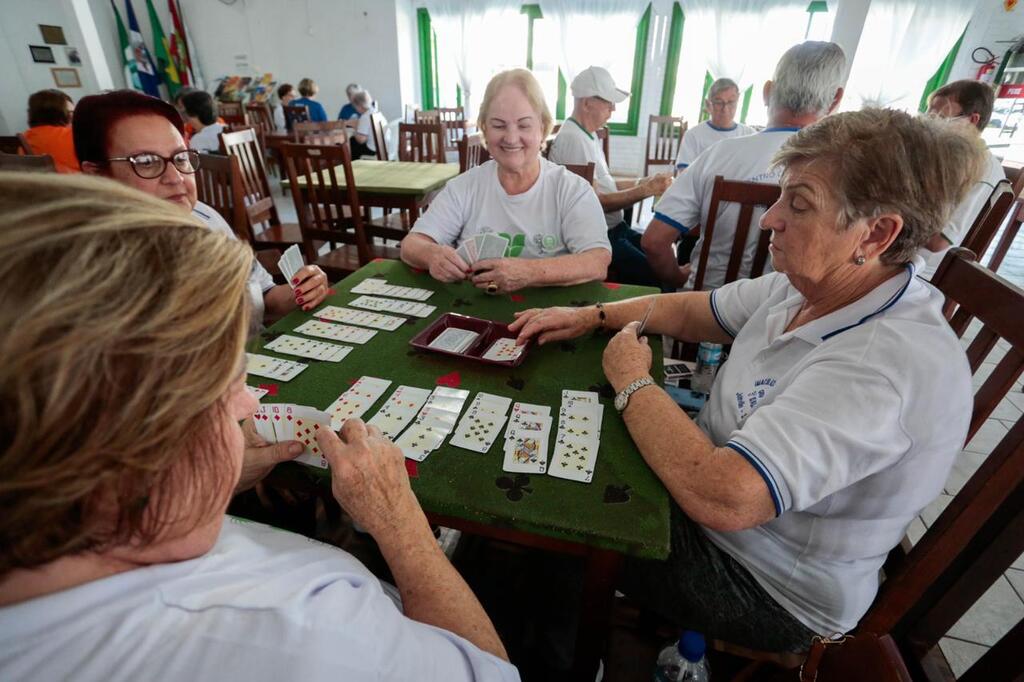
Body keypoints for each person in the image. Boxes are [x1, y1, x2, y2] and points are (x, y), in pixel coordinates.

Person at [0, 173, 519, 682]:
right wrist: (399, 522)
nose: (248, 400)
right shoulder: (308, 640)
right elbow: (492, 672)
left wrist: (204, 484)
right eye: (224, 385)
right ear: (125, 446)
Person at [509, 108, 986, 652]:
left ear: (876, 234)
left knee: (552, 526)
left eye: (799, 204)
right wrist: (595, 315)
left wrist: (632, 380)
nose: (769, 219)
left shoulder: (882, 365)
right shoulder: (820, 284)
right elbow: (695, 311)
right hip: (721, 510)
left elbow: (725, 497)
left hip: (764, 582)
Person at [72, 90, 329, 335]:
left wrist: (301, 291)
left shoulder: (204, 217)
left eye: (180, 158)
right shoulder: (93, 274)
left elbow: (264, 299)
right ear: (98, 176)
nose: (175, 178)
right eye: (146, 162)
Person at [642, 41, 846, 291]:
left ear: (767, 92)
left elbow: (654, 242)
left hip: (700, 309)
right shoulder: (842, 174)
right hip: (780, 319)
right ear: (836, 99)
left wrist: (675, 278)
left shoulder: (719, 155)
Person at [401, 69, 611, 294]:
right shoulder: (464, 186)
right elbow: (411, 245)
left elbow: (597, 262)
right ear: (484, 128)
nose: (511, 138)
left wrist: (528, 273)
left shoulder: (572, 189)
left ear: (543, 127)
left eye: (524, 125)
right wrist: (433, 255)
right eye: (499, 125)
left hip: (551, 318)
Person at [547, 66, 672, 287]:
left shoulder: (588, 134)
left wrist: (639, 182)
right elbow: (595, 202)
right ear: (586, 103)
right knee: (660, 280)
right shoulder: (573, 140)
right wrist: (646, 190)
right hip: (602, 237)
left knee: (663, 259)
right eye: (607, 102)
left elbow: (605, 183)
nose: (612, 109)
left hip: (615, 229)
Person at [920, 79, 1007, 279]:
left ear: (972, 120)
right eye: (928, 116)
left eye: (940, 118)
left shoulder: (980, 168)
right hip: (901, 259)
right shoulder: (946, 157)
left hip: (921, 273)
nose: (929, 125)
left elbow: (938, 241)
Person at [673, 78, 755, 173]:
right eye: (719, 103)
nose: (725, 109)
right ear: (708, 104)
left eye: (731, 102)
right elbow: (684, 174)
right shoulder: (693, 135)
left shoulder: (750, 135)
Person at [20, 89, 79, 173]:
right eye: (70, 113)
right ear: (60, 113)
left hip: (41, 183)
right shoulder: (72, 134)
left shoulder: (25, 137)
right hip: (77, 182)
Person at [349, 90, 382, 159]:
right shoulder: (375, 112)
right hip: (381, 146)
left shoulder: (365, 117)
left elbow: (361, 140)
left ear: (359, 105)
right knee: (353, 141)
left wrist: (355, 129)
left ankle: (353, 165)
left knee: (352, 142)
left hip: (372, 149)